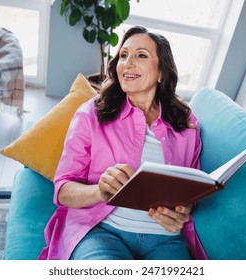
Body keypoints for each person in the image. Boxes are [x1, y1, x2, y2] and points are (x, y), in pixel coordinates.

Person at [38, 25, 207, 260]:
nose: (127, 63)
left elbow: (192, 190)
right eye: (123, 55)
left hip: (166, 239)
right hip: (101, 232)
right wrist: (99, 191)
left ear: (161, 73)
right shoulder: (92, 114)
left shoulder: (187, 124)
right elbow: (63, 190)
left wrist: (184, 209)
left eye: (141, 55)